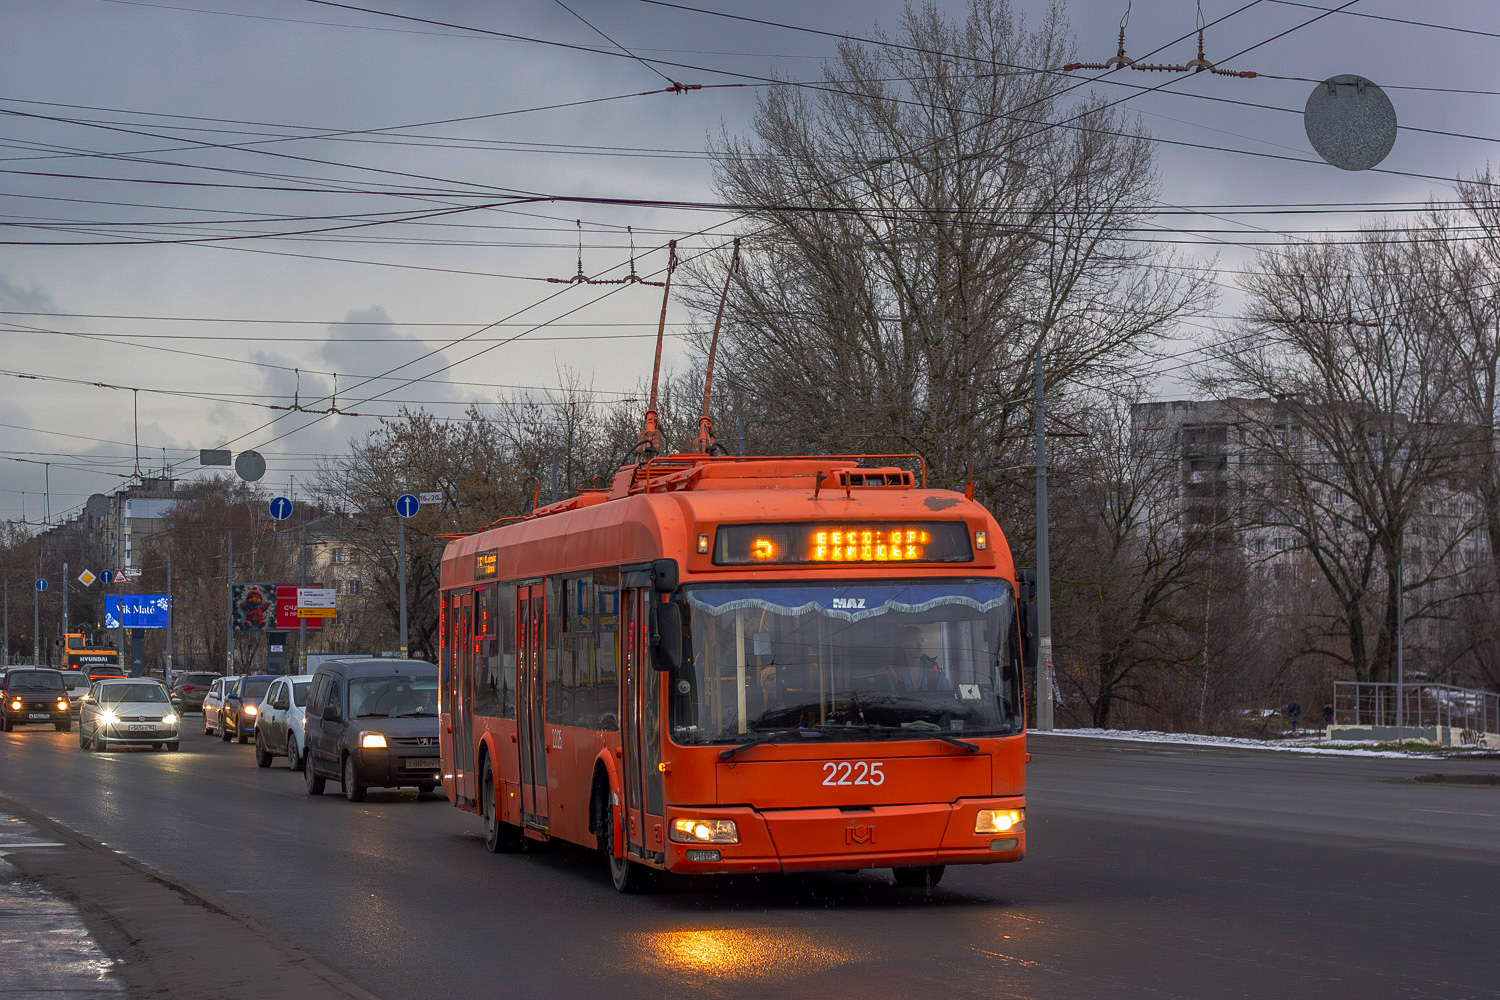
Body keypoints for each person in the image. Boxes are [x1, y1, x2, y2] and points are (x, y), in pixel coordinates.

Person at [885, 627, 951, 692]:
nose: (920, 644)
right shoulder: (892, 672)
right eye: (914, 640)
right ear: (903, 644)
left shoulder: (936, 671)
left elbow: (948, 698)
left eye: (921, 640)